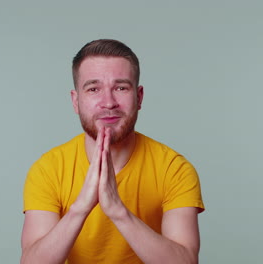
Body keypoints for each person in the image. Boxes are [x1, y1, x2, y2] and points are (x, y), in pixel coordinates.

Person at [21, 39, 205, 264]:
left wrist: (118, 211)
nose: (108, 103)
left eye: (120, 88)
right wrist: (80, 209)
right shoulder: (48, 169)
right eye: (93, 89)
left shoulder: (174, 169)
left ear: (139, 97)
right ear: (75, 101)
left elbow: (186, 261)